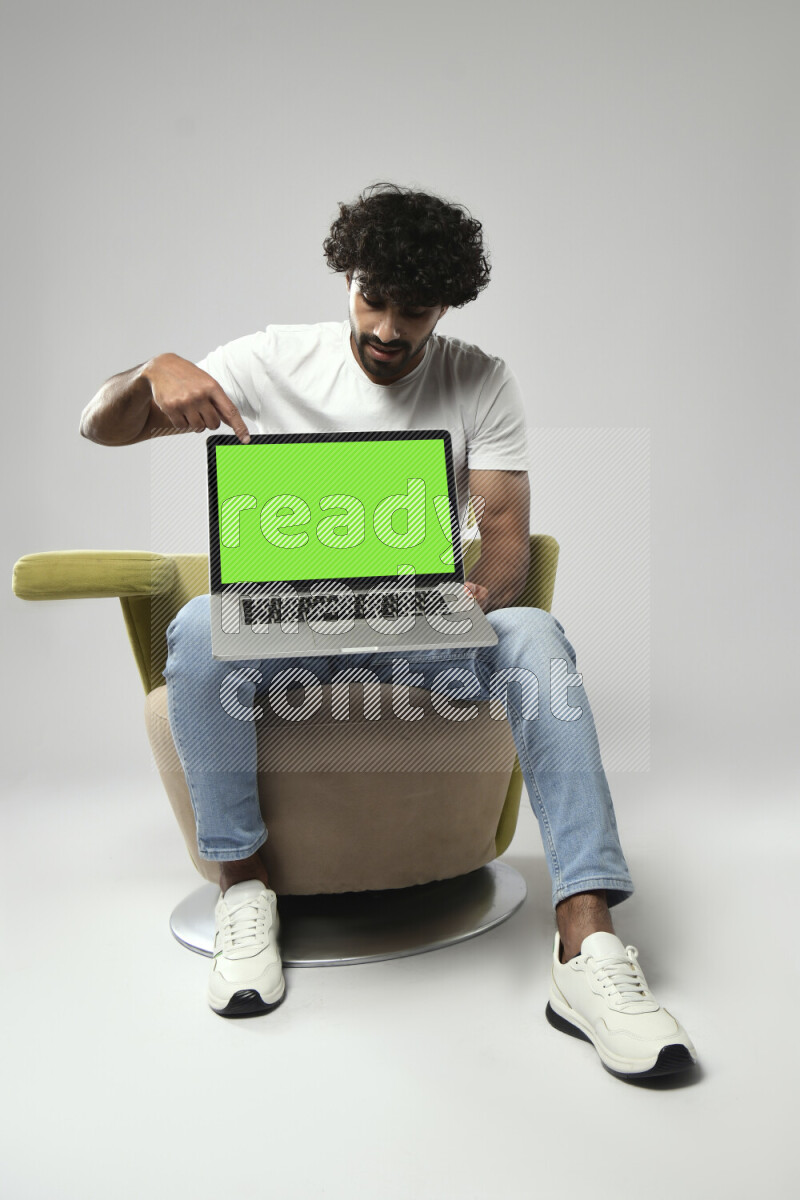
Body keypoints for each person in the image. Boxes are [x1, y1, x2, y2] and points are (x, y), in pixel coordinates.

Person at [80, 183, 697, 1080]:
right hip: (286, 621)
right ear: (347, 280)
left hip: (419, 624)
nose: (390, 330)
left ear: (445, 305)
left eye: (416, 311)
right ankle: (244, 891)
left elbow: (507, 540)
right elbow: (99, 427)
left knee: (536, 639)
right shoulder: (267, 358)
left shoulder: (480, 379)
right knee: (197, 629)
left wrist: (469, 600)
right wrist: (149, 370)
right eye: (374, 299)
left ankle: (586, 945)